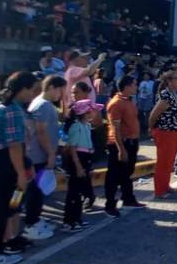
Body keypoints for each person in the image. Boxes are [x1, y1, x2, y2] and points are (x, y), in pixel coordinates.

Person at [0, 72, 39, 264]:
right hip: (7, 162)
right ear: (23, 89)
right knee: (4, 207)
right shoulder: (13, 110)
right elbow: (14, 145)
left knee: (2, 204)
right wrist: (21, 173)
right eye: (32, 90)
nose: (34, 94)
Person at [23, 75, 65, 240]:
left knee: (36, 190)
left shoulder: (39, 102)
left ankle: (35, 219)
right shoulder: (44, 105)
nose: (61, 94)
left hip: (36, 154)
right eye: (60, 90)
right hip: (38, 155)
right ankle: (31, 224)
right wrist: (51, 153)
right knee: (35, 190)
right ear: (51, 87)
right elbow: (41, 131)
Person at [104, 76, 143, 215]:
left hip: (131, 141)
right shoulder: (116, 103)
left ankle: (128, 198)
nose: (136, 87)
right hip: (121, 143)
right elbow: (115, 128)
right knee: (114, 175)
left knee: (127, 173)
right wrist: (121, 149)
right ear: (126, 86)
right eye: (134, 84)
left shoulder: (128, 100)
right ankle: (110, 205)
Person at [61, 99, 99, 231]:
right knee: (74, 192)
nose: (94, 113)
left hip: (85, 158)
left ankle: (77, 218)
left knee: (80, 192)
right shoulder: (76, 127)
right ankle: (69, 221)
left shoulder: (86, 126)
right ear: (85, 112)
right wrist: (78, 167)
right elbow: (73, 148)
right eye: (92, 111)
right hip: (78, 159)